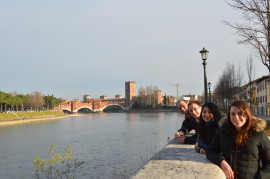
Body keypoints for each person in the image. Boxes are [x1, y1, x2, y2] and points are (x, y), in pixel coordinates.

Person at [206, 100, 270, 179]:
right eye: (233, 114)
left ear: (246, 115)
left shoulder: (259, 134)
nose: (236, 118)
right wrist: (221, 161)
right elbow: (210, 151)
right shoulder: (223, 133)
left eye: (240, 114)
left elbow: (268, 163)